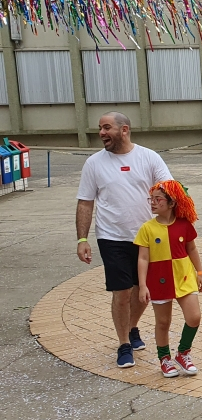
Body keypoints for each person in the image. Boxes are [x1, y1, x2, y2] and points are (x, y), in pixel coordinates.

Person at [76, 112, 173, 368]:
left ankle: (132, 326)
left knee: (143, 290)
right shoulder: (94, 163)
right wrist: (82, 239)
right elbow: (85, 202)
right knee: (121, 292)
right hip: (112, 236)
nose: (101, 133)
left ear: (124, 130)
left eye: (107, 127)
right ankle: (124, 344)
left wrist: (175, 227)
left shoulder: (149, 157)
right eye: (100, 128)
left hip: (147, 237)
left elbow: (170, 191)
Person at [135, 180, 202, 378]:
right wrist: (142, 285)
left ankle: (183, 353)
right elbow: (143, 258)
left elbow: (192, 249)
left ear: (172, 203)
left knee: (194, 317)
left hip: (184, 276)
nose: (153, 202)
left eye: (158, 199)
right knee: (163, 322)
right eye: (151, 199)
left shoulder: (184, 224)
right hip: (159, 278)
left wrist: (200, 273)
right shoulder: (147, 228)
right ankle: (164, 358)